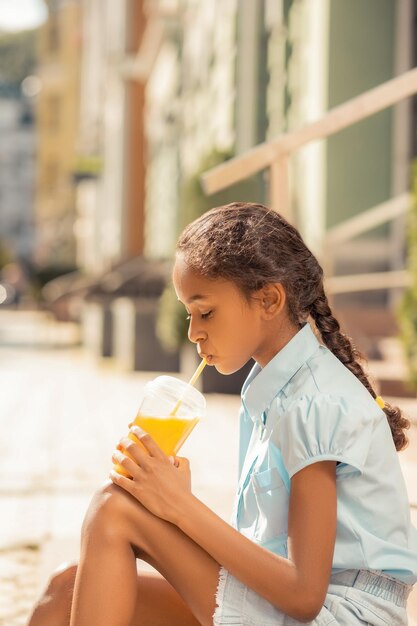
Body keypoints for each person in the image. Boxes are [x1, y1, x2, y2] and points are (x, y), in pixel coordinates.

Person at [27, 202, 417, 626]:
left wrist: (179, 506)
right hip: (283, 605)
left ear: (268, 299)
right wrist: (168, 504)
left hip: (341, 616)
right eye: (188, 313)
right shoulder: (271, 389)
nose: (193, 331)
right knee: (65, 589)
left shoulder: (314, 401)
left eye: (206, 311)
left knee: (113, 508)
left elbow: (304, 594)